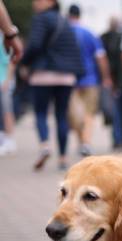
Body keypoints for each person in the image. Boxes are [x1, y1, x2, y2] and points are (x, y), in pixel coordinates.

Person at [21, 0, 84, 171]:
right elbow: (74, 50)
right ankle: (63, 158)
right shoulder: (65, 21)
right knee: (61, 115)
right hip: (66, 76)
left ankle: (45, 146)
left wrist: (24, 62)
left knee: (41, 112)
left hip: (43, 74)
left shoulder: (40, 19)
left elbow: (34, 45)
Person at [67, 4, 112, 157]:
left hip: (69, 79)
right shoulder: (89, 33)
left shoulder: (64, 32)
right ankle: (86, 142)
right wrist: (106, 77)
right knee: (89, 113)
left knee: (74, 115)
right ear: (80, 15)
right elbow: (100, 57)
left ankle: (83, 141)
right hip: (90, 79)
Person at [101, 15, 122, 152]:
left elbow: (112, 62)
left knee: (119, 112)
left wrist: (111, 79)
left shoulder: (110, 37)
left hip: (121, 82)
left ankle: (120, 140)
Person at [0, 39, 16, 155]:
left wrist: (7, 79)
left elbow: (11, 61)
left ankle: (9, 140)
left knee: (6, 111)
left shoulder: (6, 37)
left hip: (4, 81)